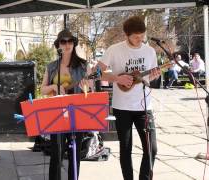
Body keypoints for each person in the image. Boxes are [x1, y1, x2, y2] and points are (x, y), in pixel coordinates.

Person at [97, 16, 161, 180]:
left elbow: (148, 79)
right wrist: (117, 79)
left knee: (151, 148)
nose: (140, 40)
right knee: (125, 148)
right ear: (127, 35)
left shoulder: (150, 51)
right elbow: (98, 72)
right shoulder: (114, 49)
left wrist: (154, 76)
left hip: (144, 107)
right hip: (122, 106)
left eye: (142, 36)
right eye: (136, 37)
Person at [41, 29, 90, 180]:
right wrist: (54, 87)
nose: (67, 44)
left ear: (74, 44)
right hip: (57, 115)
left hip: (77, 114)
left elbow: (90, 91)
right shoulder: (52, 67)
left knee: (75, 155)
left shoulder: (83, 66)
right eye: (63, 41)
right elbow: (43, 89)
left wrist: (85, 88)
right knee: (57, 154)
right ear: (59, 45)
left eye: (70, 41)